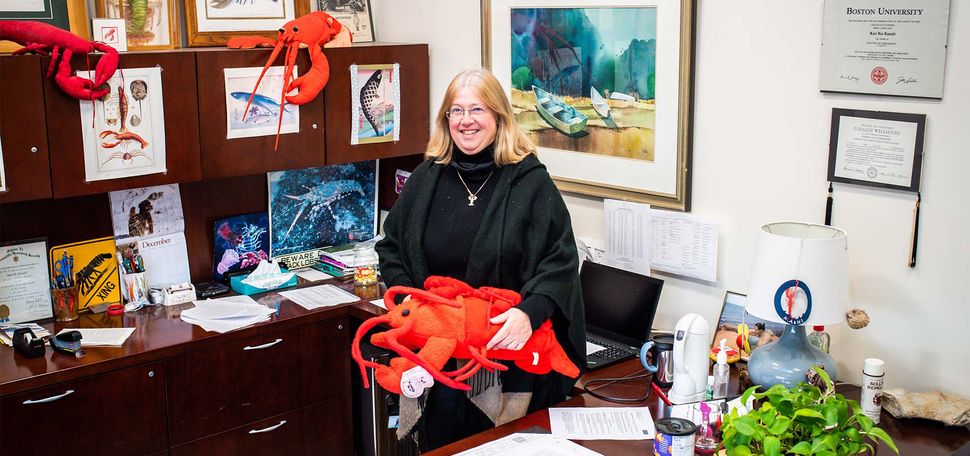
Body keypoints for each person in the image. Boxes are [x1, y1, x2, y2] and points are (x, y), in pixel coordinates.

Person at [376, 68, 586, 451]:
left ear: (499, 117)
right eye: (456, 111)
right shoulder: (426, 178)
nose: (466, 121)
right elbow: (390, 247)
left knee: (499, 447)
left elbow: (560, 260)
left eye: (477, 110)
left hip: (507, 358)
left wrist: (530, 313)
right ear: (446, 120)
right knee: (444, 446)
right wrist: (408, 299)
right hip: (438, 357)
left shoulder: (530, 182)